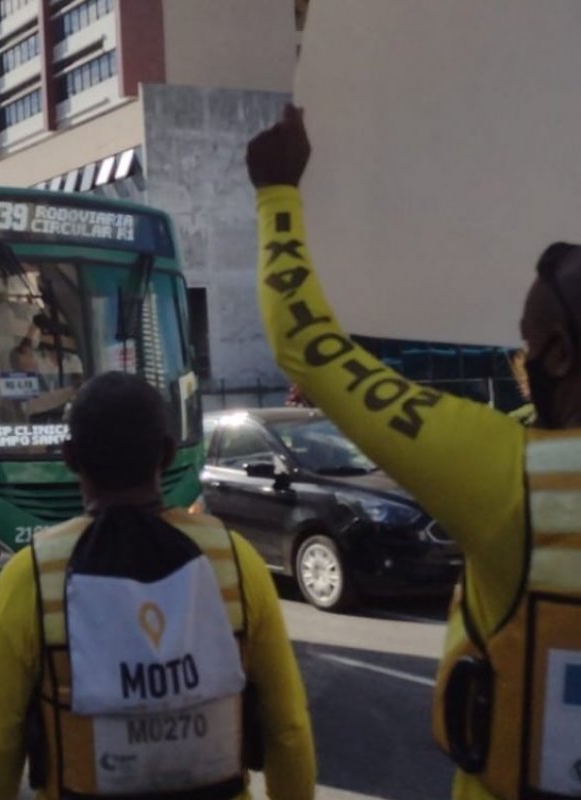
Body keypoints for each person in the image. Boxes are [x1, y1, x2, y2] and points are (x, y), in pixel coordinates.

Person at [247, 105, 581, 800]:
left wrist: (278, 196)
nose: (519, 362)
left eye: (525, 343)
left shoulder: (515, 474)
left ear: (556, 354)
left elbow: (309, 349)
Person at [0, 372, 315, 800]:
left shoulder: (32, 576)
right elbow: (288, 729)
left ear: (71, 457)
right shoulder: (235, 562)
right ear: (165, 454)